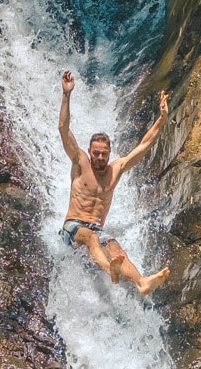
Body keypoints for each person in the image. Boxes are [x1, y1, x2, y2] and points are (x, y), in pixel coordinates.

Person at [58, 69, 170, 296]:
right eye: (96, 153)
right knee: (90, 237)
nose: (100, 157)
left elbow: (143, 146)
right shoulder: (80, 162)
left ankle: (141, 282)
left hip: (97, 229)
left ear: (110, 154)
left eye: (104, 154)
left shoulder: (116, 169)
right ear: (89, 151)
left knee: (115, 247)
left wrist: (162, 118)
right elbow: (63, 129)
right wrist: (67, 94)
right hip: (72, 228)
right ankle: (110, 269)